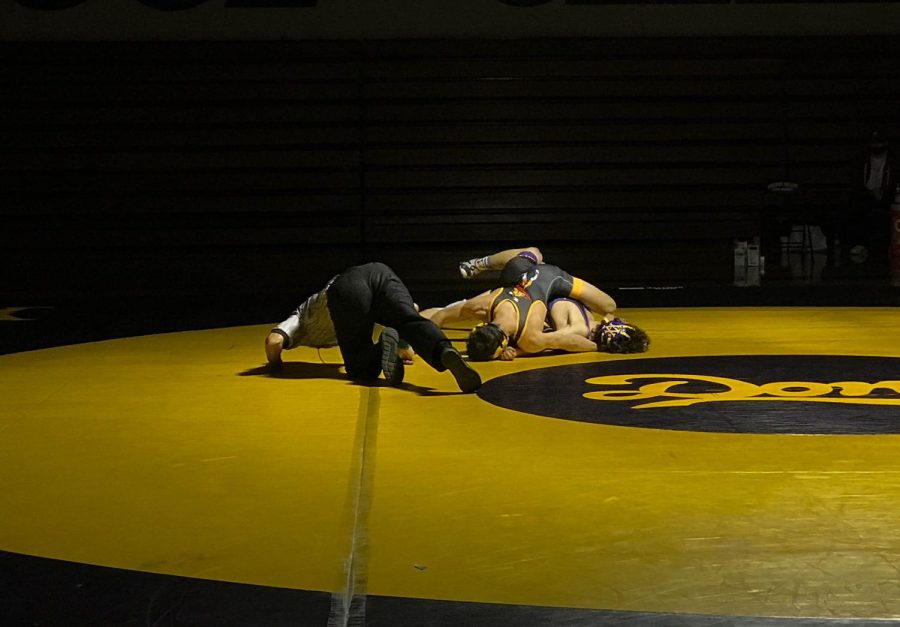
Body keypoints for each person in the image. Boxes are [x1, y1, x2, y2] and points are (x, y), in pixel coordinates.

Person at [265, 262, 482, 393]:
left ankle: (379, 350)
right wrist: (403, 345)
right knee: (409, 320)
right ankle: (444, 349)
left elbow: (273, 342)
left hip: (346, 289)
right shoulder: (314, 309)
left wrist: (275, 366)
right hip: (381, 272)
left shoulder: (301, 316)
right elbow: (412, 309)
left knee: (359, 369)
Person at [423, 250, 649, 361]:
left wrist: (598, 347)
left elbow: (568, 340)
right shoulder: (485, 306)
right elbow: (441, 317)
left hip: (549, 279)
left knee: (609, 305)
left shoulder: (528, 337)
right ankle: (482, 263)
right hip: (519, 280)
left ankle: (484, 263)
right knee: (532, 252)